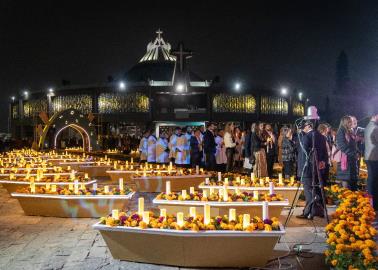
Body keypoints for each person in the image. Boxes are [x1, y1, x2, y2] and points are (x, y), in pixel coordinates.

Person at [296, 121, 328, 220]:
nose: (302, 128)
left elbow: (303, 153)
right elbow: (325, 152)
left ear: (309, 126)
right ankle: (318, 210)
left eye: (304, 126)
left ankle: (308, 212)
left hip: (307, 168)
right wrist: (322, 161)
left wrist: (300, 169)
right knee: (316, 189)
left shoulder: (306, 137)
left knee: (309, 191)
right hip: (318, 168)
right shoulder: (322, 137)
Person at [335, 116, 359, 191]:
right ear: (345, 122)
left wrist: (357, 151)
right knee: (346, 180)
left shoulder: (350, 131)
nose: (351, 123)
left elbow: (353, 144)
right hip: (345, 159)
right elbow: (342, 146)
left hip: (351, 159)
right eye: (350, 122)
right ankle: (346, 198)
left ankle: (352, 197)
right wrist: (353, 154)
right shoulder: (341, 131)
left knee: (352, 179)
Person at [364, 113, 378, 211]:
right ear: (375, 116)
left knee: (371, 179)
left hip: (369, 156)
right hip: (374, 157)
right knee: (373, 180)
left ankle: (371, 202)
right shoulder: (375, 127)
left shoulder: (368, 126)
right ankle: (373, 204)